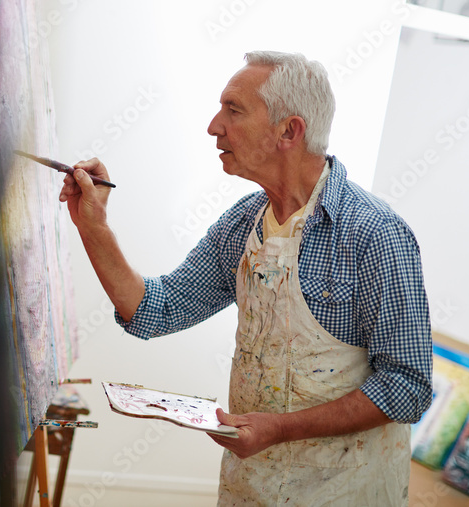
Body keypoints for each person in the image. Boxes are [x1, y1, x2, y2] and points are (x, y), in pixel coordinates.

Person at [59, 51, 432, 505]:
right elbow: (154, 310)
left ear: (289, 131)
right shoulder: (243, 225)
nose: (215, 126)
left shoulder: (375, 235)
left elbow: (408, 387)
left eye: (233, 110)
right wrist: (93, 228)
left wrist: (280, 429)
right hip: (251, 487)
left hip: (341, 492)